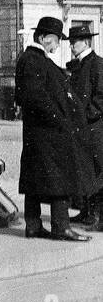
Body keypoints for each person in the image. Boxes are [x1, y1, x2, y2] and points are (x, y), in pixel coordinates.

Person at [15, 16, 90, 241]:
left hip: (39, 133)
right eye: (55, 39)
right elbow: (36, 97)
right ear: (42, 38)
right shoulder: (34, 60)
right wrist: (60, 120)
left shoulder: (33, 59)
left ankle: (34, 225)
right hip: (48, 133)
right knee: (60, 178)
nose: (58, 44)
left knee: (35, 179)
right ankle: (60, 227)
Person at [66, 25, 103, 228]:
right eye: (71, 42)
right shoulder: (78, 66)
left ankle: (95, 214)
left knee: (96, 171)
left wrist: (86, 117)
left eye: (75, 42)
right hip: (81, 128)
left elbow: (100, 97)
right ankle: (85, 211)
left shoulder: (97, 64)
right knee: (83, 170)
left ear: (86, 42)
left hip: (94, 128)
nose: (71, 46)